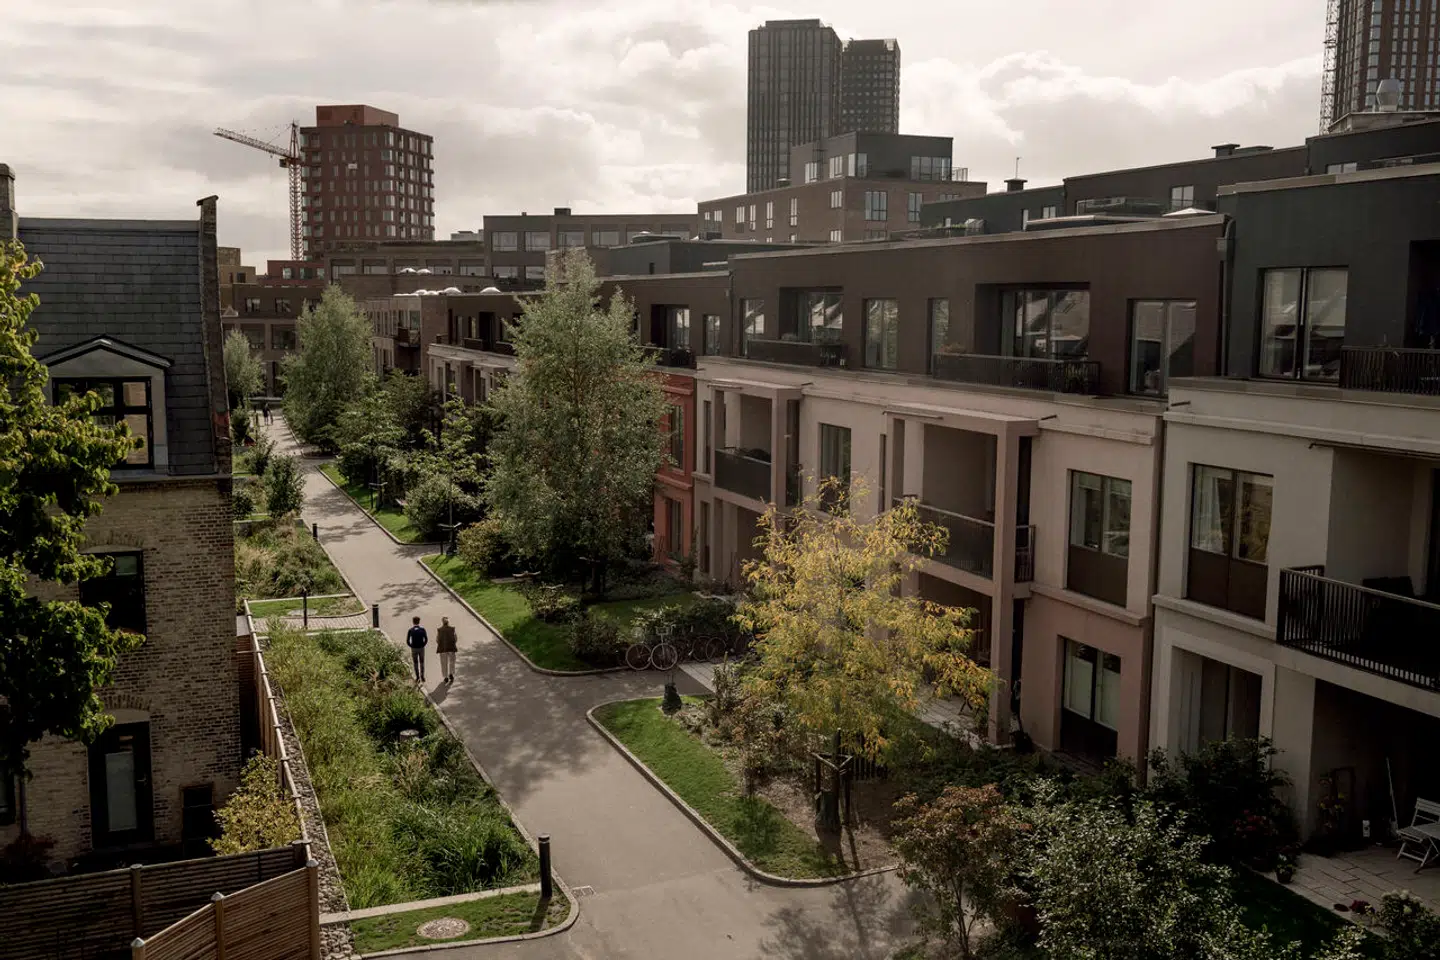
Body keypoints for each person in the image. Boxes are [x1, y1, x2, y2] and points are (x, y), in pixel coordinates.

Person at [405, 615, 428, 683]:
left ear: (413, 622)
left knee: (415, 663)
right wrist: (423, 645)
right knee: (422, 662)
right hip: (421, 648)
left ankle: (417, 676)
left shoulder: (410, 630)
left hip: (414, 648)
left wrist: (411, 646)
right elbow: (426, 639)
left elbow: (407, 641)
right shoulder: (422, 629)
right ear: (419, 621)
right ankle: (422, 676)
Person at [436, 616, 458, 684]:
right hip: (451, 648)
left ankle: (445, 677)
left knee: (444, 663)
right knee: (452, 662)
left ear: (442, 622)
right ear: (448, 622)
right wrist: (453, 643)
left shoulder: (439, 630)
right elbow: (455, 638)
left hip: (443, 649)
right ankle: (451, 674)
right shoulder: (452, 629)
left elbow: (437, 640)